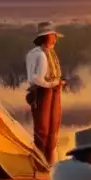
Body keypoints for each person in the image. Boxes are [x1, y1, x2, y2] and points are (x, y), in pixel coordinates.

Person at [25, 21, 66, 163]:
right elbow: (36, 79)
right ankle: (41, 162)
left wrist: (56, 84)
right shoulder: (39, 55)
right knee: (43, 129)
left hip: (51, 91)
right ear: (47, 37)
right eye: (53, 36)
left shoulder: (48, 53)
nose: (55, 39)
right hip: (43, 92)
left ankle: (48, 162)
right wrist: (54, 83)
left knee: (53, 128)